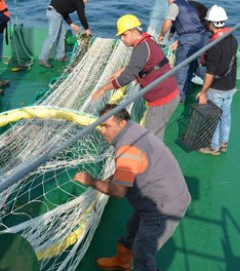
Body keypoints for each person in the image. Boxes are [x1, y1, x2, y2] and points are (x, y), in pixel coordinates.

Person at [74, 104, 191, 271]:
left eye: (106, 126)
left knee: (143, 253)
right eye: (101, 125)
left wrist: (91, 180)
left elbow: (118, 191)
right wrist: (112, 178)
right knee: (132, 228)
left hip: (164, 206)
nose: (102, 131)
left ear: (121, 123)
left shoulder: (127, 149)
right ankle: (123, 261)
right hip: (158, 196)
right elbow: (132, 167)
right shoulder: (133, 129)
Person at [91, 14, 180, 139]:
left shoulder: (141, 48)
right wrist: (124, 68)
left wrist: (103, 89)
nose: (122, 38)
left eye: (124, 35)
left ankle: (153, 158)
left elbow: (126, 78)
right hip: (170, 93)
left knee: (151, 139)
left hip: (162, 100)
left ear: (134, 31)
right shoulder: (147, 40)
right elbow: (141, 62)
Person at [196, 5, 238, 156]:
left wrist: (203, 92)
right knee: (226, 115)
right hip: (231, 87)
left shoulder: (214, 45)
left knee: (213, 117)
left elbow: (210, 73)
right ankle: (223, 143)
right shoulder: (232, 38)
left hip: (217, 89)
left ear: (211, 23)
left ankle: (213, 147)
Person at [157, 0, 208, 101]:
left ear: (170, 0)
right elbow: (183, 20)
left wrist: (162, 34)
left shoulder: (174, 4)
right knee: (190, 64)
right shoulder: (188, 5)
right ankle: (188, 87)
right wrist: (171, 33)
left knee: (181, 68)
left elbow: (168, 21)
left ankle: (178, 97)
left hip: (190, 38)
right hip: (200, 37)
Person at [39, 0, 92, 68]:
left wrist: (71, 24)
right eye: (87, 0)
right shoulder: (79, 1)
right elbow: (81, 16)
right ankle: (42, 59)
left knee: (61, 35)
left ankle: (61, 56)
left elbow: (64, 11)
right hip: (55, 14)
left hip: (55, 12)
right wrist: (87, 29)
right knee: (52, 37)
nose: (86, 3)